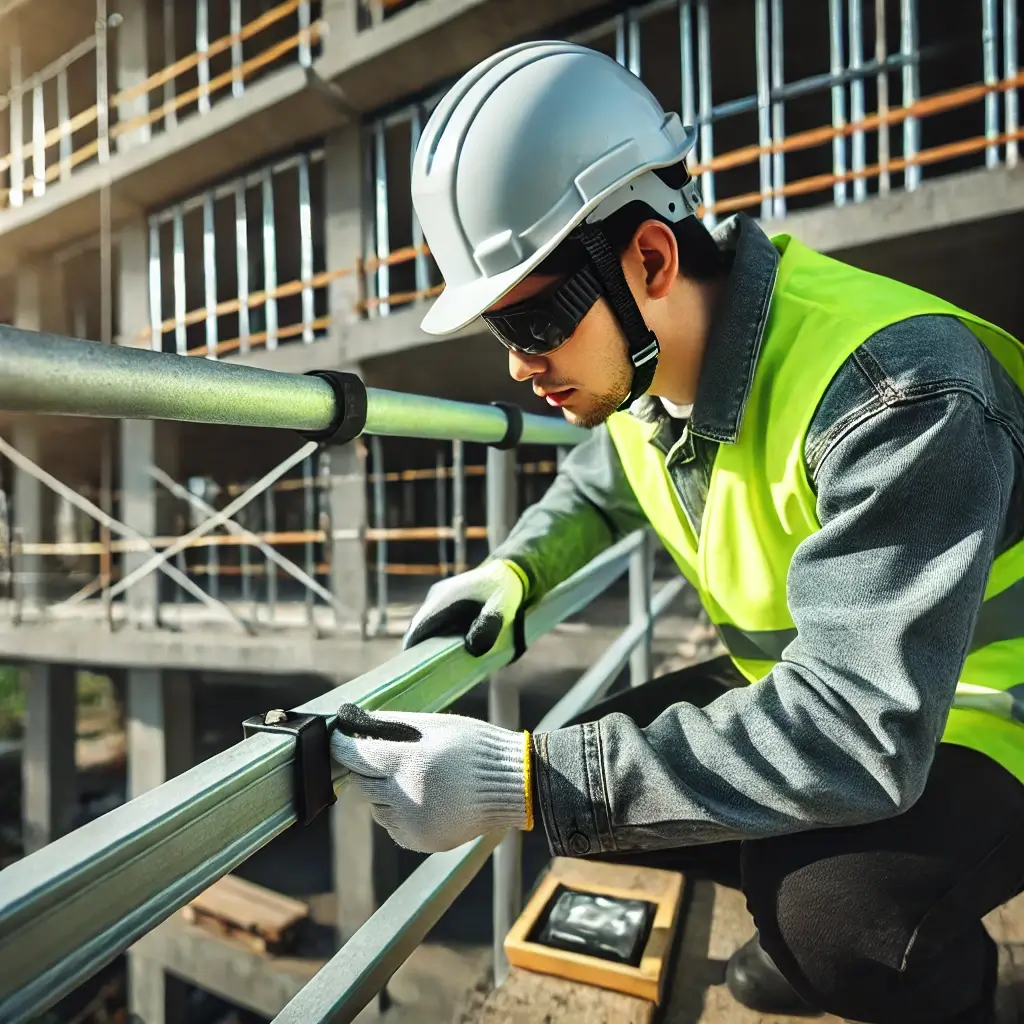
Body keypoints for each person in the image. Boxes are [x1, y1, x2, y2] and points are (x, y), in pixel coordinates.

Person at [329, 41, 1024, 1024]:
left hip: (982, 709)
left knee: (838, 915)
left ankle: (925, 974)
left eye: (532, 325)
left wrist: (521, 779)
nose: (520, 369)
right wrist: (514, 571)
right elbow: (595, 486)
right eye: (501, 334)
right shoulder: (647, 384)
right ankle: (804, 915)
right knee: (593, 769)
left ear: (649, 258)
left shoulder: (895, 393)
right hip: (831, 688)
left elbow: (860, 731)